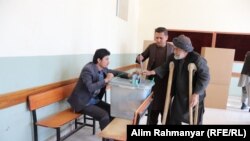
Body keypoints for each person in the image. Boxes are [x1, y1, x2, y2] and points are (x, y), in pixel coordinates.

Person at [143, 34, 210, 125]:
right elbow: (164, 67)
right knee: (174, 118)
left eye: (177, 49)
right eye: (174, 48)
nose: (174, 51)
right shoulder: (174, 57)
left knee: (195, 119)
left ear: (185, 50)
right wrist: (152, 72)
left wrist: (196, 94)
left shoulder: (197, 59)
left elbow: (205, 77)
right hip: (179, 94)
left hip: (193, 94)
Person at [68, 48, 134, 130]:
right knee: (104, 116)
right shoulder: (88, 70)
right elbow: (90, 87)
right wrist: (106, 80)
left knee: (113, 111)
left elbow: (115, 72)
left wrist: (129, 76)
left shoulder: (103, 69)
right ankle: (107, 137)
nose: (108, 61)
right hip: (83, 103)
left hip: (94, 100)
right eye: (106, 59)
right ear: (99, 60)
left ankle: (112, 135)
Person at [136, 27, 174, 124]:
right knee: (152, 107)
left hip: (167, 82)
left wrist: (154, 71)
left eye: (160, 38)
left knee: (166, 108)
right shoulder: (151, 47)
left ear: (166, 37)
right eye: (156, 37)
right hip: (152, 82)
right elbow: (142, 57)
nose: (158, 40)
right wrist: (139, 57)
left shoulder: (172, 49)